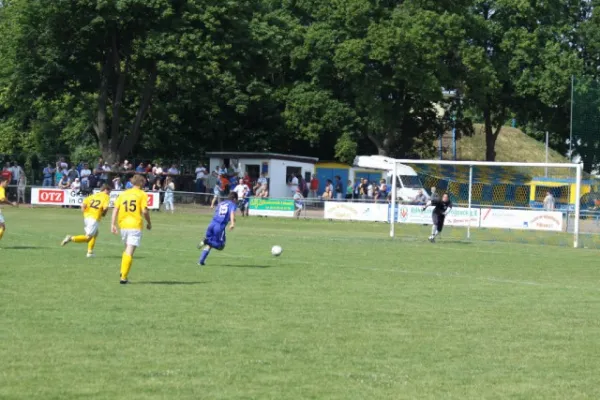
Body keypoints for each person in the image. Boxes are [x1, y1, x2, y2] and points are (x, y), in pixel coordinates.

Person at [111, 175, 152, 284]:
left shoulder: (123, 193)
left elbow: (115, 209)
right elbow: (144, 211)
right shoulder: (142, 194)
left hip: (123, 225)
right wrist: (149, 222)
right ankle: (123, 277)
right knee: (129, 251)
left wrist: (112, 224)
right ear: (141, 183)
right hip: (135, 225)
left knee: (126, 250)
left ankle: (122, 271)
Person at [61, 184, 111, 257]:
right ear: (106, 190)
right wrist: (103, 214)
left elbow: (83, 205)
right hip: (94, 218)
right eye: (109, 192)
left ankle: (90, 252)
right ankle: (71, 238)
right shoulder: (106, 196)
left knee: (95, 233)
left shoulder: (93, 196)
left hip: (87, 217)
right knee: (88, 238)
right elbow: (105, 208)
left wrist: (85, 212)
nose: (109, 193)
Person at [197, 192, 237, 266]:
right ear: (234, 199)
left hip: (212, 224)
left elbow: (218, 213)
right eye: (236, 200)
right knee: (220, 246)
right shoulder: (232, 204)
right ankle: (205, 241)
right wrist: (232, 223)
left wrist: (231, 219)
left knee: (210, 243)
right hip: (219, 226)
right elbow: (231, 213)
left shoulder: (221, 203)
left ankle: (201, 261)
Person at [0, 177, 18, 244]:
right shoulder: (1, 189)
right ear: (4, 182)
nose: (7, 185)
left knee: (2, 227)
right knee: (2, 227)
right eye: (7, 183)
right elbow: (3, 199)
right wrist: (12, 203)